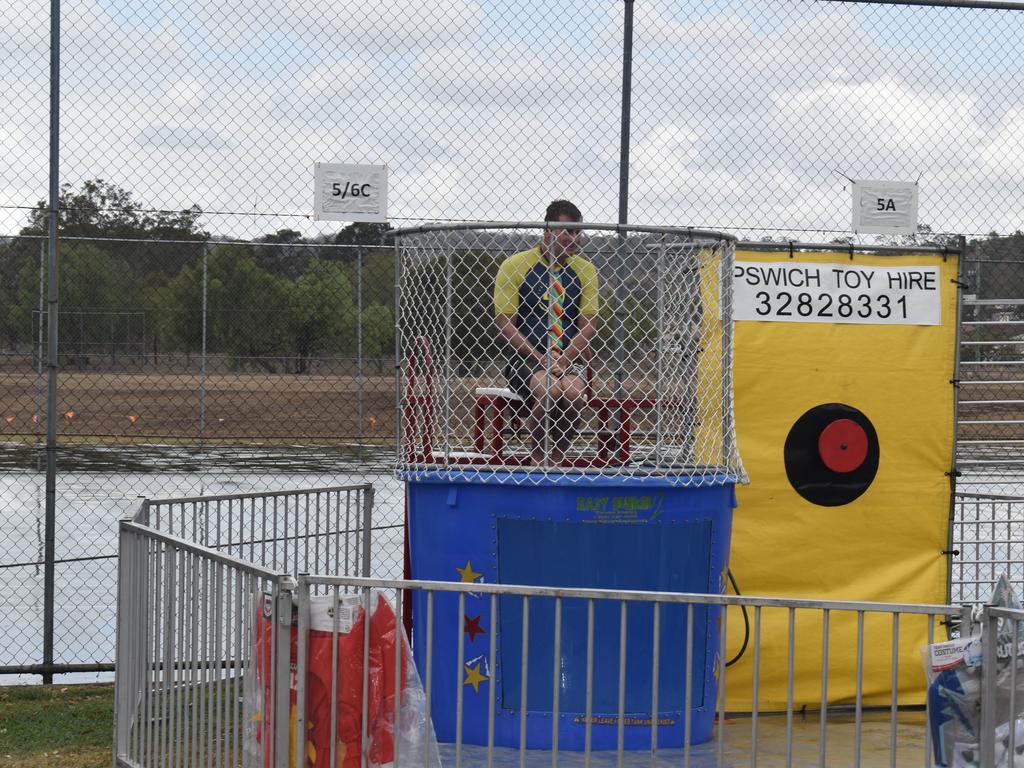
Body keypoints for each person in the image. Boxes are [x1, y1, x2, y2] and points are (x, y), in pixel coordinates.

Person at [493, 200, 599, 464]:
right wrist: (541, 358)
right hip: (528, 359)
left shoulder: (585, 270)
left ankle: (558, 455)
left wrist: (564, 358)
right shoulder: (515, 265)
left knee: (573, 394)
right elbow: (505, 322)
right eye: (566, 231)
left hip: (567, 358)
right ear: (548, 231)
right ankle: (538, 455)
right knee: (550, 390)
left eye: (577, 232)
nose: (573, 238)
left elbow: (589, 324)